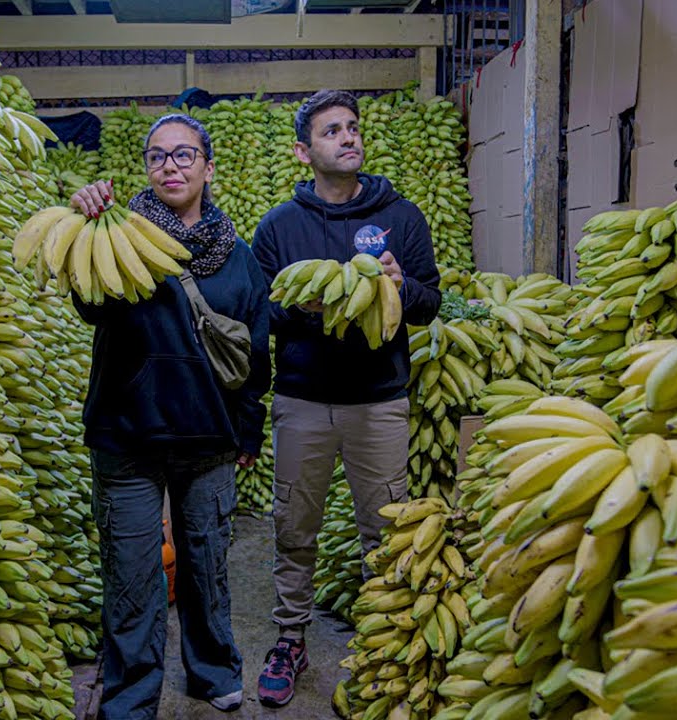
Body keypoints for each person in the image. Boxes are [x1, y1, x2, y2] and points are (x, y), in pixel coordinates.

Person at [68, 113, 272, 719]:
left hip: (208, 436)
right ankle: (131, 697)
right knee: (131, 577)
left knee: (207, 567)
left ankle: (213, 672)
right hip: (127, 433)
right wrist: (87, 224)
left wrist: (248, 429)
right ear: (146, 169)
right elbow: (90, 304)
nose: (171, 167)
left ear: (208, 168)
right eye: (158, 157)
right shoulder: (118, 238)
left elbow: (255, 352)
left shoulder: (238, 256)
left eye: (184, 156)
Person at [250, 89, 443, 708]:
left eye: (353, 127)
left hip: (378, 402)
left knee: (383, 532)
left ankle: (380, 642)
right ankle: (289, 636)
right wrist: (301, 310)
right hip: (303, 401)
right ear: (304, 151)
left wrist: (398, 284)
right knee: (293, 526)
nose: (349, 137)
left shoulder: (402, 218)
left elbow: (430, 303)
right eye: (332, 131)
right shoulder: (280, 226)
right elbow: (262, 313)